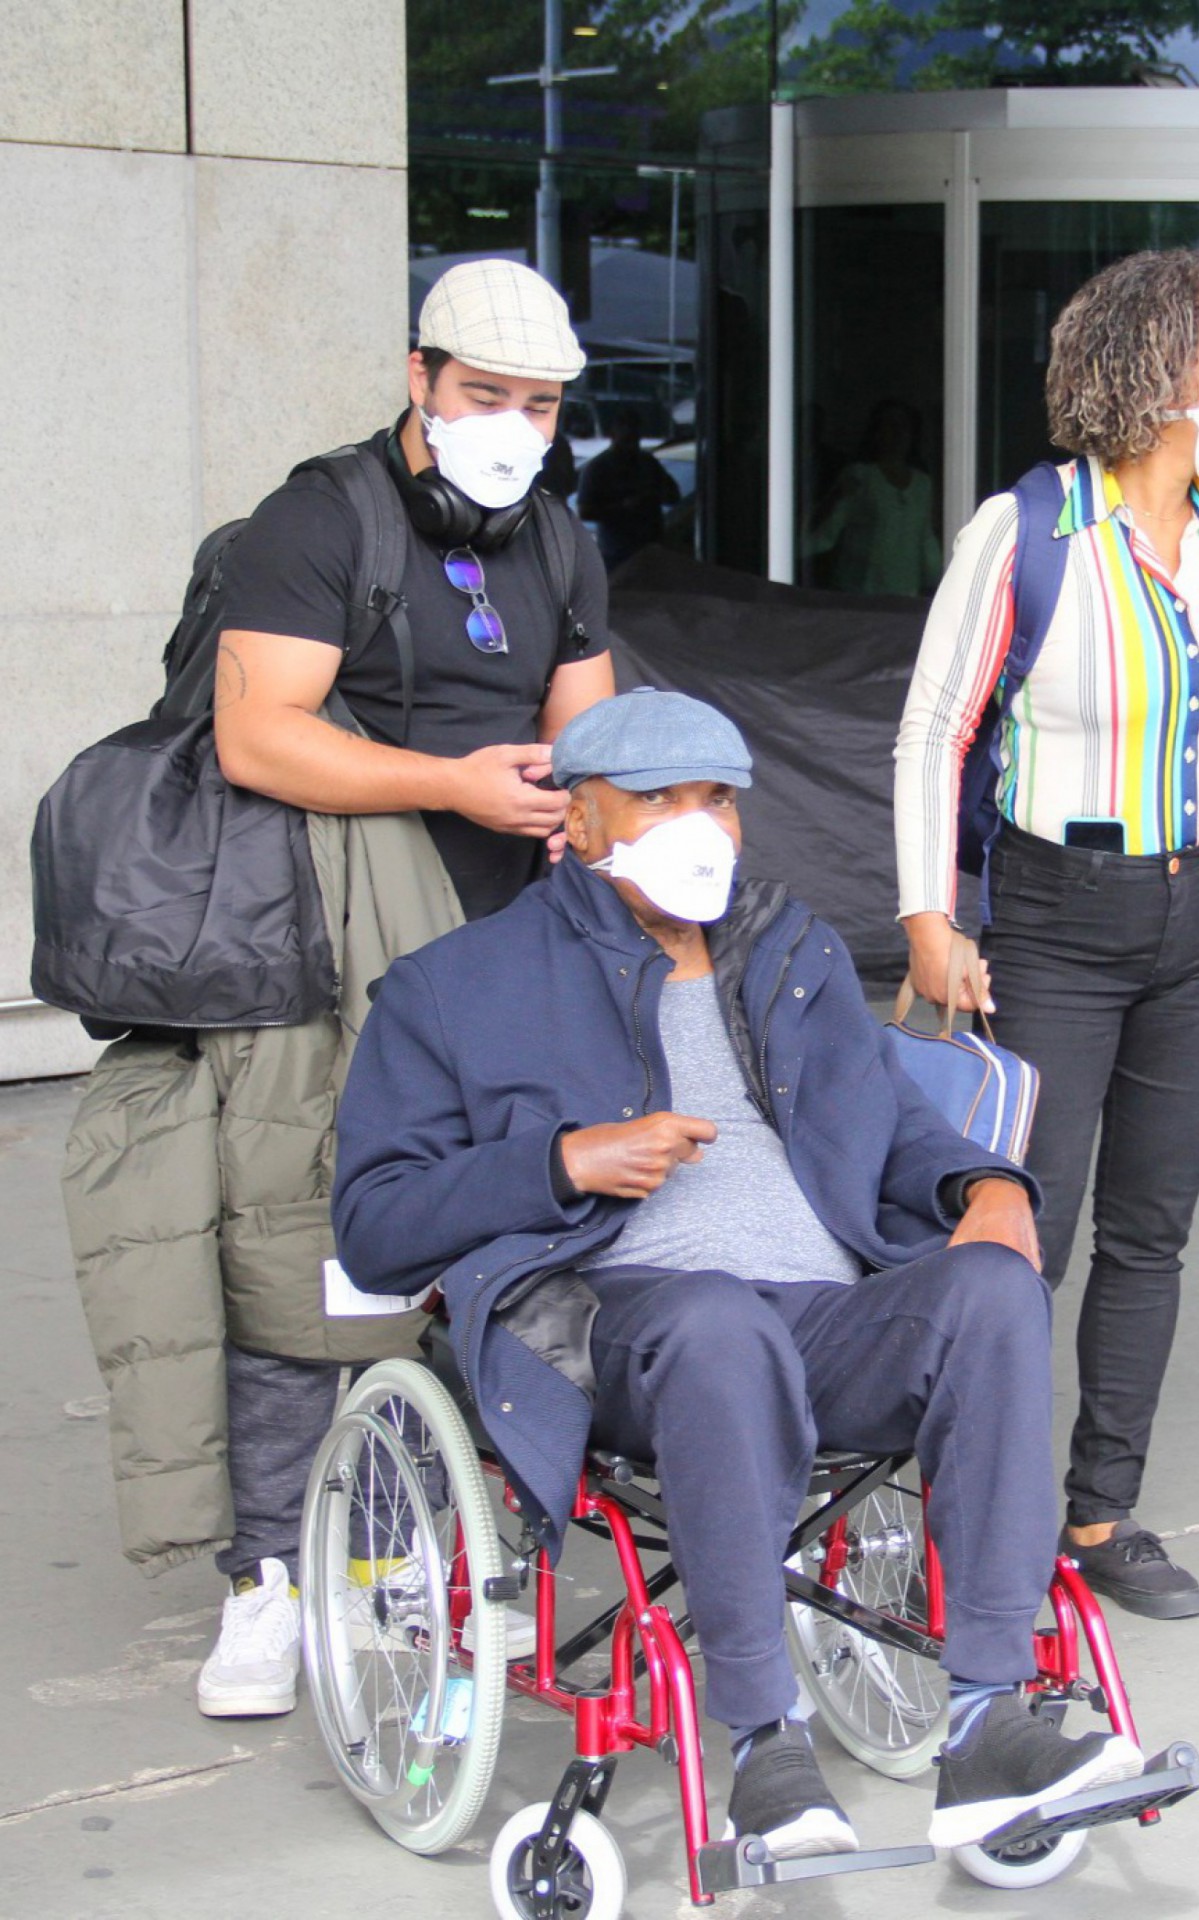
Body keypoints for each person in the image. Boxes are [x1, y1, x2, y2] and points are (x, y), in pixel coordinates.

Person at [334, 687, 1144, 1860]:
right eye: (660, 798)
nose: (698, 824)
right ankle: (764, 1739)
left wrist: (986, 1185)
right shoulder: (455, 988)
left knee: (991, 1291)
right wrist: (559, 1162)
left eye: (717, 798)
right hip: (623, 1331)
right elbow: (372, 1222)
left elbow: (883, 1119)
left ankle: (987, 1719)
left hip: (820, 1314)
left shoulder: (786, 949)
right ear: (583, 817)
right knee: (718, 1323)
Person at [62, 258, 614, 1721]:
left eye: (540, 403)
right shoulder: (323, 521)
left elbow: (588, 726)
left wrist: (600, 800)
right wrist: (450, 784)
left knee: (483, 1240)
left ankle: (409, 1543)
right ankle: (263, 1579)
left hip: (495, 956)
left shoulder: (554, 541)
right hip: (318, 947)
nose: (513, 424)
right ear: (419, 379)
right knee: (298, 1256)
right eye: (486, 393)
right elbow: (259, 734)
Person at [895, 248, 1199, 1624]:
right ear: (1160, 375)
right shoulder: (1021, 536)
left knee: (1150, 1229)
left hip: (1185, 916)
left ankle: (1097, 1513)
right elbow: (930, 733)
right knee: (1029, 1225)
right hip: (1056, 925)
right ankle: (976, 1514)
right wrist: (924, 922)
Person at [806, 399, 941, 597]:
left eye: (903, 426)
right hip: (861, 593)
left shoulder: (923, 484)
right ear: (876, 433)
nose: (897, 433)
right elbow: (826, 532)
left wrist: (940, 580)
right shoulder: (859, 476)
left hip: (906, 594)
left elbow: (926, 538)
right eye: (889, 425)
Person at [577, 405, 681, 571]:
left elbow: (673, 495)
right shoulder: (598, 468)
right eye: (627, 439)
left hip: (650, 552)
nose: (631, 446)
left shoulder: (648, 463)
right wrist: (624, 507)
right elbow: (585, 511)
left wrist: (653, 496)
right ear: (613, 435)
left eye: (634, 439)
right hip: (618, 554)